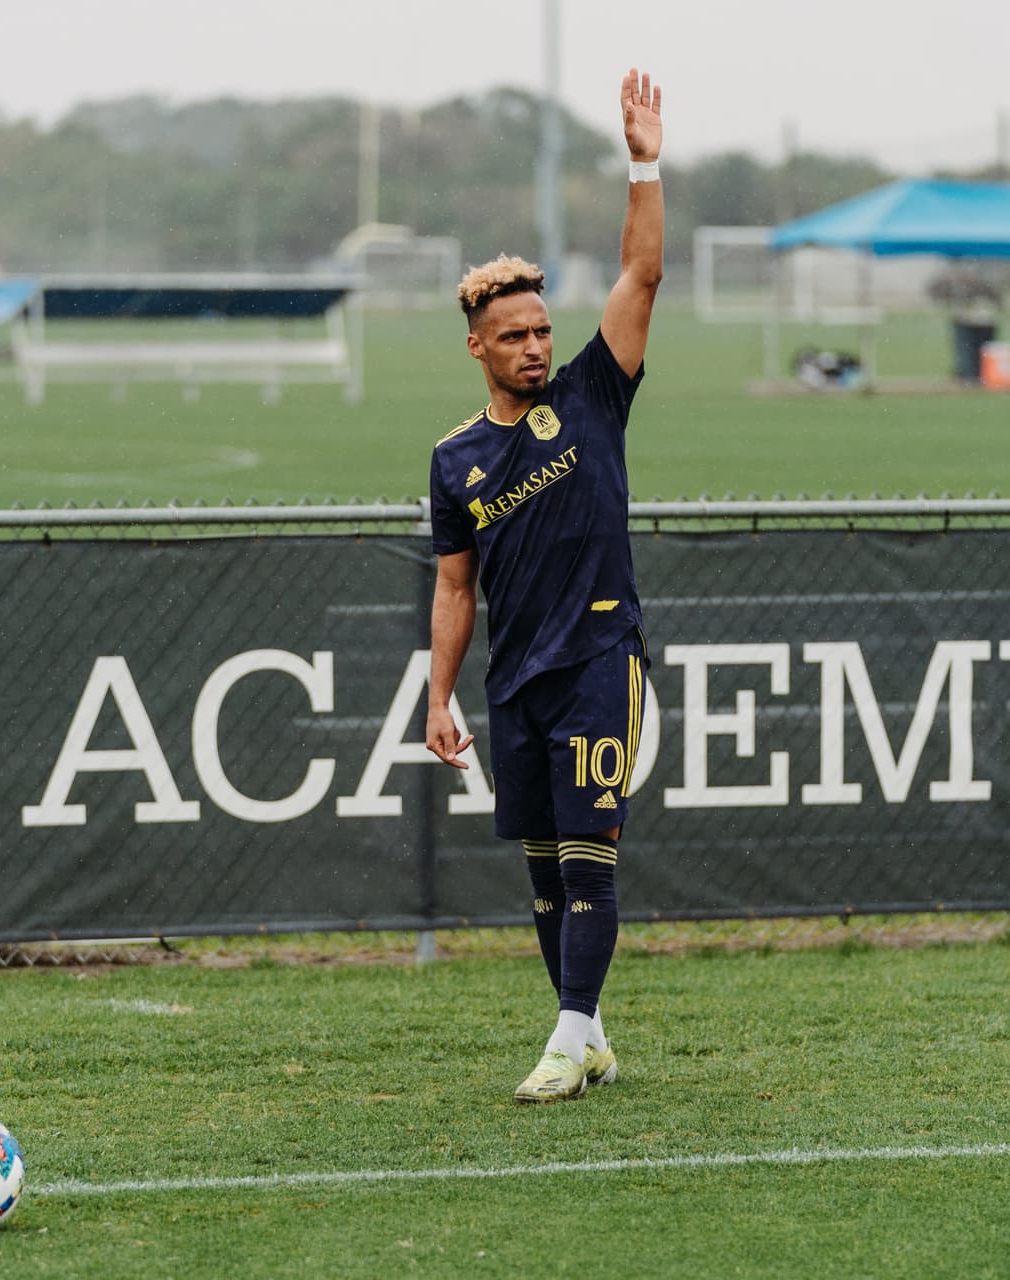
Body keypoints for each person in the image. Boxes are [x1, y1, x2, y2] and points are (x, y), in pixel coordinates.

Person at [425, 68, 663, 1103]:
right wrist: (437, 696)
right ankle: (591, 1034)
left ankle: (564, 1041)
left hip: (598, 660)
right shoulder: (454, 459)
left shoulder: (593, 395)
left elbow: (641, 273)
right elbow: (453, 587)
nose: (533, 346)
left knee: (586, 855)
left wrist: (644, 164)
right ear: (477, 345)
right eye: (513, 336)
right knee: (540, 870)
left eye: (540, 330)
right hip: (514, 680)